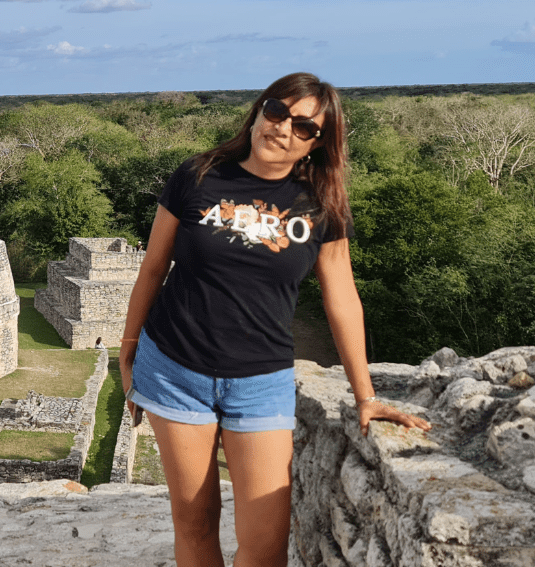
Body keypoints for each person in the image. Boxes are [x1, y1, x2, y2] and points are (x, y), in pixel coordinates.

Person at [119, 73, 429, 567]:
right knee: (195, 522)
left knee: (264, 545)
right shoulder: (199, 175)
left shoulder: (322, 203)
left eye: (304, 127)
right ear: (259, 112)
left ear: (316, 144)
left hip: (261, 380)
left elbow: (342, 297)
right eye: (277, 111)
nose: (284, 128)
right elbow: (155, 265)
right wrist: (129, 345)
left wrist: (365, 395)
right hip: (174, 368)